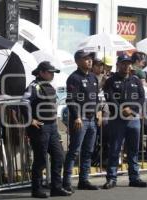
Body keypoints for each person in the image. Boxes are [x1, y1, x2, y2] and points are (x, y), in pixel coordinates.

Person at [22, 61, 71, 198]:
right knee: (41, 159)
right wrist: (30, 120)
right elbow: (24, 103)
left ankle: (56, 187)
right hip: (40, 128)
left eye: (53, 72)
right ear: (41, 72)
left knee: (58, 156)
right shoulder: (33, 86)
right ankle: (36, 189)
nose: (52, 75)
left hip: (52, 127)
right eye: (50, 72)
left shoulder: (49, 86)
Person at [102, 54, 147, 189]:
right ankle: (111, 178)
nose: (126, 66)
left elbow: (141, 98)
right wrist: (122, 109)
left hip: (133, 119)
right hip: (117, 119)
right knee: (115, 149)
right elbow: (109, 97)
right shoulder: (111, 81)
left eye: (128, 63)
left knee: (134, 150)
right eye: (123, 63)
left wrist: (132, 110)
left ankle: (134, 178)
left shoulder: (136, 80)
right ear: (118, 65)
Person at [63, 50, 101, 192]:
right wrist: (77, 116)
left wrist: (99, 112)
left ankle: (84, 180)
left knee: (88, 151)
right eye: (86, 59)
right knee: (74, 151)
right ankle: (66, 182)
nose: (90, 61)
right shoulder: (74, 78)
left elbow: (96, 98)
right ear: (78, 61)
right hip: (80, 119)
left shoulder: (93, 77)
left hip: (92, 119)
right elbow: (70, 99)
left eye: (90, 58)